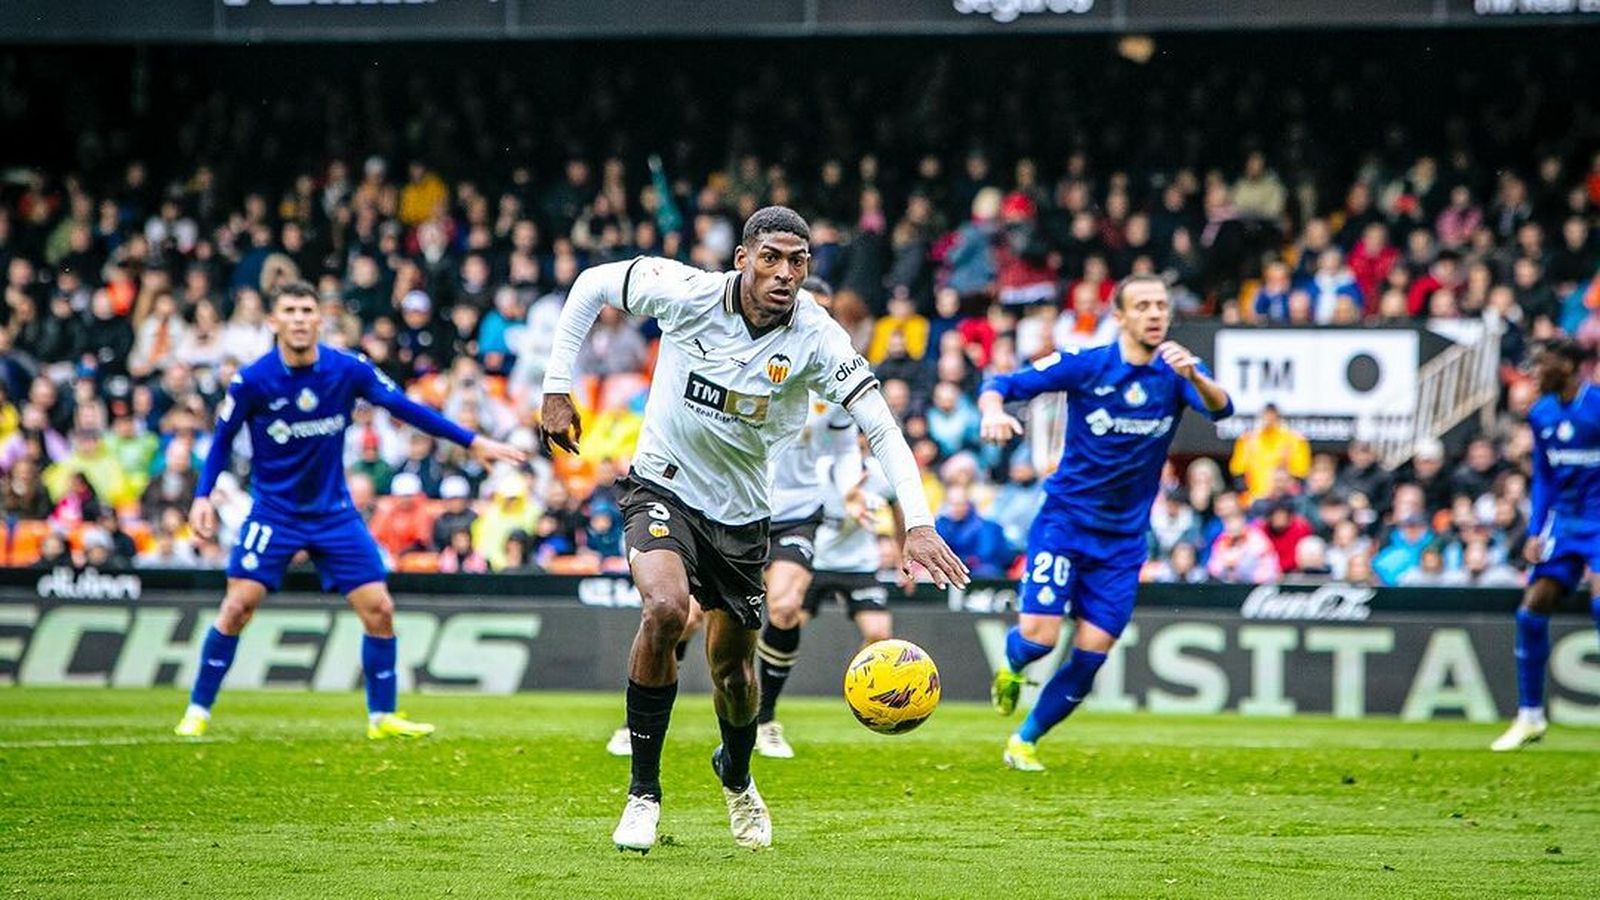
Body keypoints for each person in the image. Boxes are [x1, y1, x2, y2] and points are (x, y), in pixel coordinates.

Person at [540, 206, 968, 852]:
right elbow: (592, 284)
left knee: (735, 676)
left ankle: (736, 776)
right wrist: (555, 388)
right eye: (770, 256)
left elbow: (880, 424)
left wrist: (919, 521)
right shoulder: (687, 294)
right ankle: (642, 794)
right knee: (663, 609)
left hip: (740, 517)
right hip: (662, 484)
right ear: (742, 258)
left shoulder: (818, 337)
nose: (784, 272)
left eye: (797, 261)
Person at [174, 282, 524, 740]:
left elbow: (404, 406)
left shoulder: (347, 369)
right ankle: (198, 709)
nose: (299, 318)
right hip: (274, 512)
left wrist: (473, 441)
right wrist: (202, 495)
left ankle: (382, 717)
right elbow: (220, 441)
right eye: (290, 311)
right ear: (274, 322)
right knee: (238, 606)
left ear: (320, 319)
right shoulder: (253, 380)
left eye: (307, 310)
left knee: (379, 609)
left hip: (334, 513)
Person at [978, 274, 1232, 771]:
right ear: (1120, 316)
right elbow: (1002, 384)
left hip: (1123, 542)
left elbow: (1223, 408)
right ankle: (1012, 665)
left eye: (1161, 305)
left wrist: (1196, 377)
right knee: (1038, 639)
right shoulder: (1087, 364)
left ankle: (1024, 741)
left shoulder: (1178, 369)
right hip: (1065, 525)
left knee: (1092, 654)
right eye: (1143, 306)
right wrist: (992, 412)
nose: (1156, 314)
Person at [1492, 339, 1600, 752]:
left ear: (1570, 365)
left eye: (1542, 364)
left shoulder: (1596, 404)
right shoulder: (1541, 413)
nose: (1535, 373)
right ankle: (1530, 717)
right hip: (1566, 524)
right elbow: (1543, 477)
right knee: (1531, 609)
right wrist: (1536, 530)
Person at [1228, 402, 1310, 504]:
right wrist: (1247, 498)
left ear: (1279, 417)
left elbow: (1300, 475)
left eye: (1272, 416)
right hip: (1255, 499)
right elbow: (1238, 473)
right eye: (1266, 416)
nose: (1269, 420)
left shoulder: (1295, 440)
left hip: (1285, 500)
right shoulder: (1247, 440)